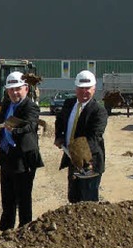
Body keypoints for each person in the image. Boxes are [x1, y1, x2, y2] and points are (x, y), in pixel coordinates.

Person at [0, 72, 43, 230]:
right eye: (11, 90)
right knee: (7, 201)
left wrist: (12, 129)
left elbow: (30, 126)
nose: (14, 93)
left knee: (24, 201)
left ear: (26, 89)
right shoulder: (7, 105)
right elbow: (1, 124)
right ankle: (5, 232)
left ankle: (24, 233)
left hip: (23, 160)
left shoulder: (31, 107)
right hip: (7, 157)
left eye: (17, 89)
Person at [54, 70, 108, 203]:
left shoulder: (98, 111)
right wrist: (59, 136)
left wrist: (77, 154)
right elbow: (60, 121)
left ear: (94, 89)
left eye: (88, 89)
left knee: (88, 200)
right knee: (73, 198)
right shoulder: (69, 104)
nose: (84, 92)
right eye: (81, 88)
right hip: (72, 160)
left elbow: (94, 137)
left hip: (90, 163)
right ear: (76, 88)